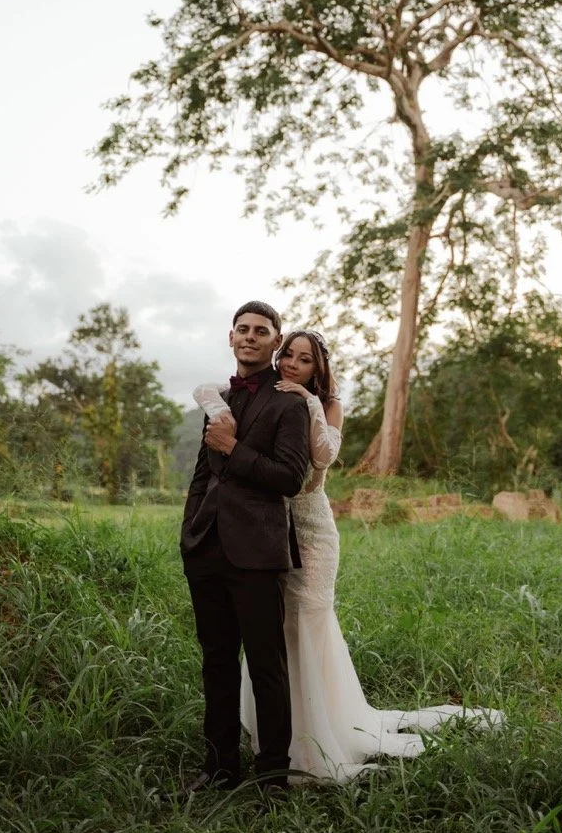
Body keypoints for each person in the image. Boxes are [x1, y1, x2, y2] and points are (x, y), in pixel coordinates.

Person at [195, 328, 503, 784]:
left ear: (317, 369)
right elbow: (206, 390)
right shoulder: (264, 395)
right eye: (289, 355)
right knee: (275, 631)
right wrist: (223, 412)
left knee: (308, 623)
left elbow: (322, 459)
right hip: (268, 531)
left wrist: (309, 402)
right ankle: (276, 733)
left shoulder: (324, 404)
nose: (291, 364)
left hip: (312, 530)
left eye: (304, 360)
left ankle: (320, 733)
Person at [180, 300, 310, 797]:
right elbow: (202, 474)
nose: (250, 337)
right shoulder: (218, 399)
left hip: (257, 553)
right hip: (206, 549)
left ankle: (273, 778)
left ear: (275, 341)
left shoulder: (289, 404)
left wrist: (234, 449)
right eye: (242, 329)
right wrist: (190, 532)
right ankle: (219, 769)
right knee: (216, 663)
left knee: (266, 667)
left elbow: (290, 478)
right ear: (231, 337)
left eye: (260, 330)